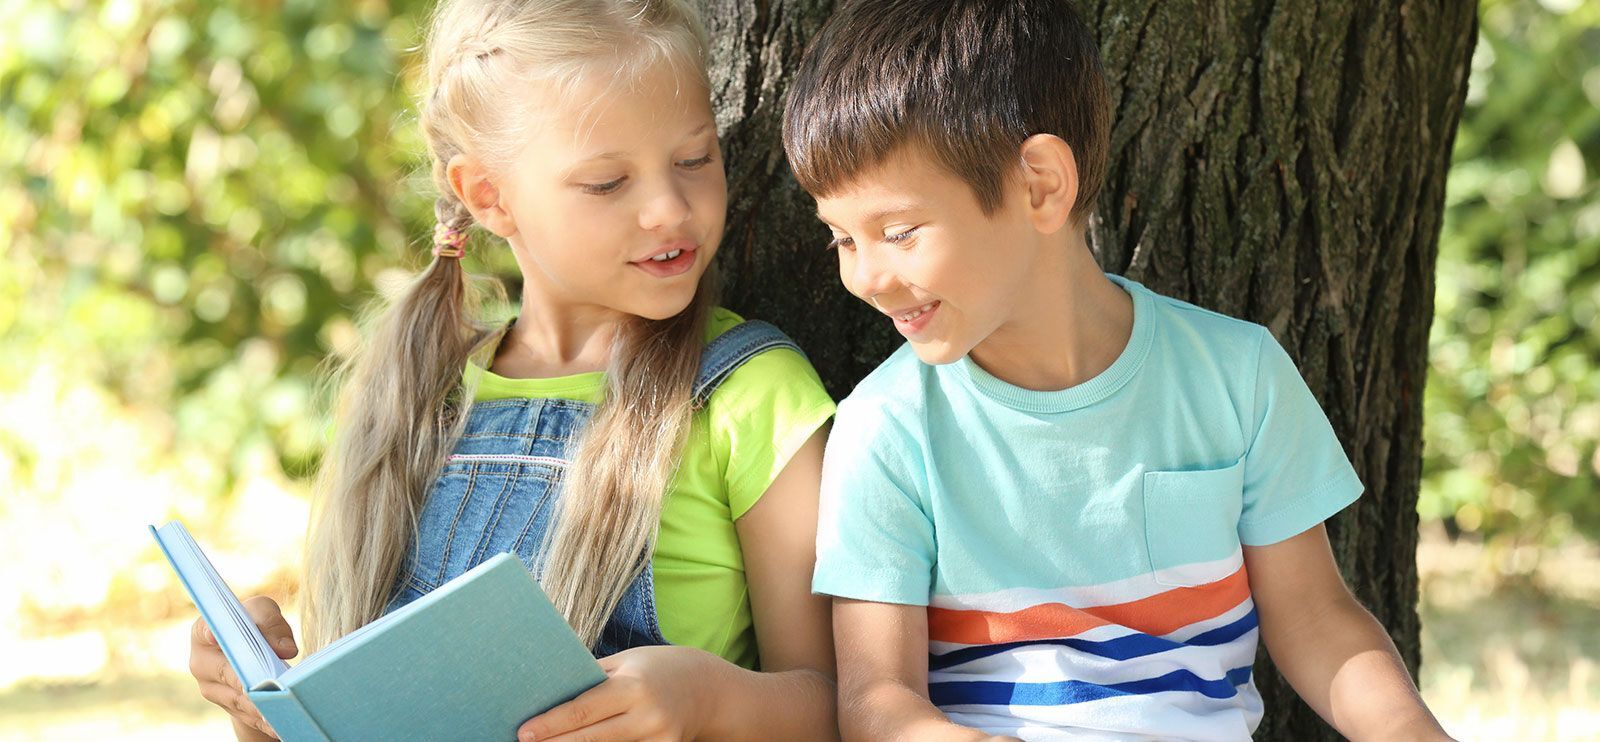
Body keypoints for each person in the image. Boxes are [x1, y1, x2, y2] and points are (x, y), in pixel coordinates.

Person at [781, 0, 1451, 739]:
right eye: (842, 239)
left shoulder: (1238, 375)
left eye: (898, 232)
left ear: (1039, 184)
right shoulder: (886, 429)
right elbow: (878, 703)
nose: (866, 277)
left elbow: (1319, 621)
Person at [187, 1, 839, 739]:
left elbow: (835, 704)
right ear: (488, 196)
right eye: (606, 183)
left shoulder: (752, 392)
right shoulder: (413, 395)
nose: (668, 207)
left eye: (695, 158)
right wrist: (262, 705)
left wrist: (714, 703)